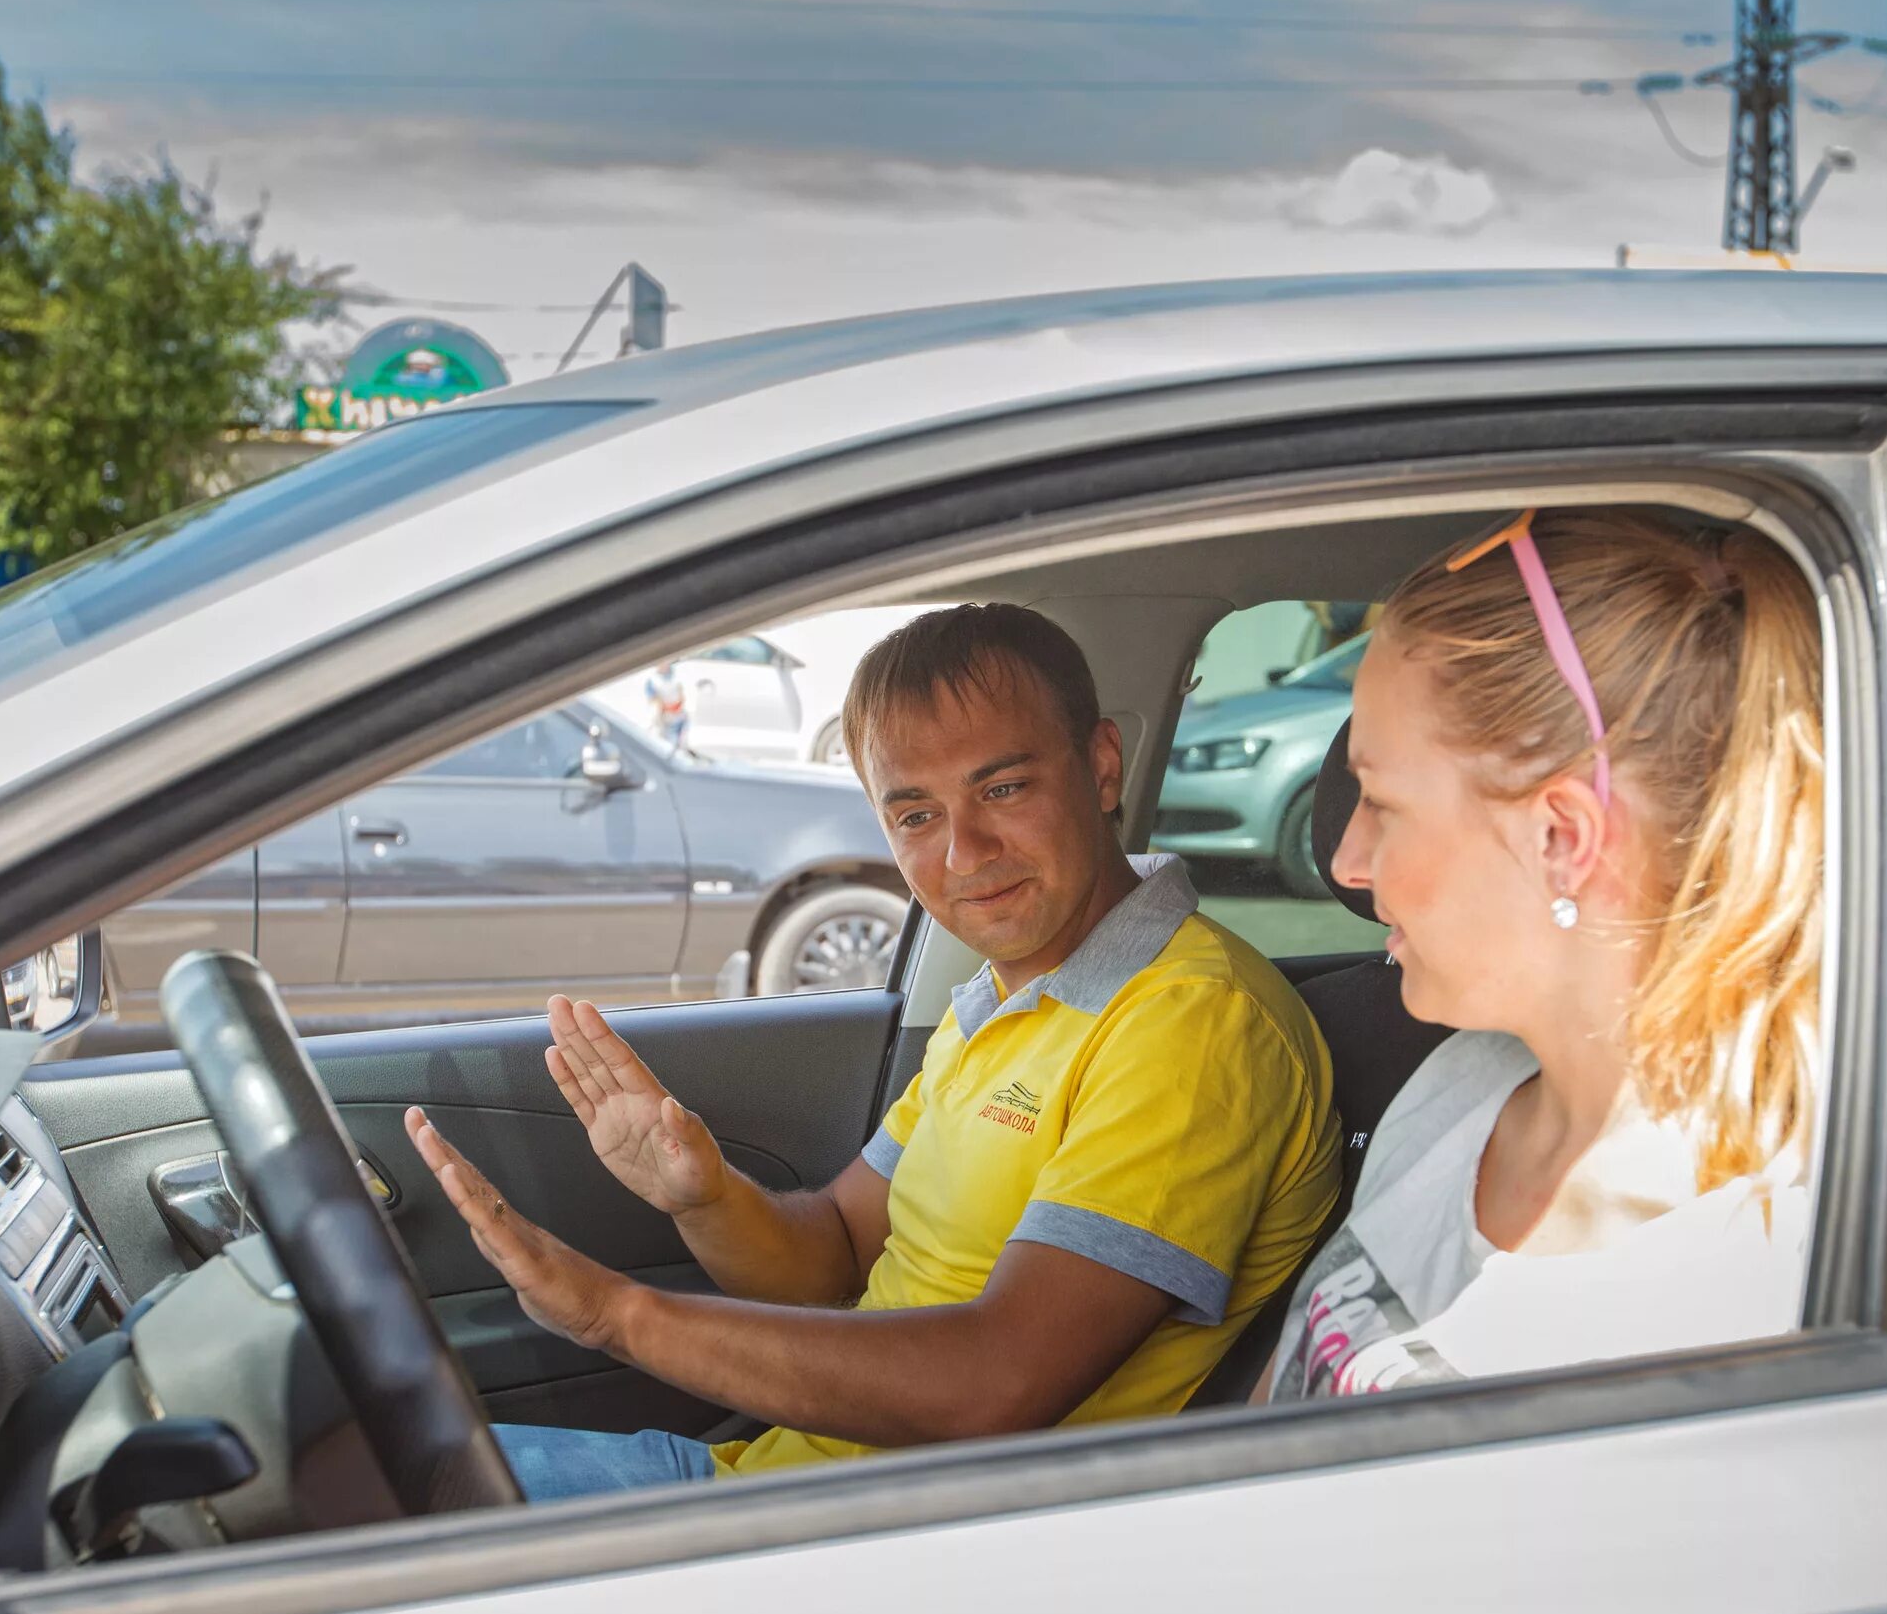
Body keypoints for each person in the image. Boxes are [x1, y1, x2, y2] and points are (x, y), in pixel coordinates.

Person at [408, 603, 1343, 1499]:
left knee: (352, 1494)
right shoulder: (1000, 1002)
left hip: (896, 1547)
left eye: (1003, 788)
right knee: (368, 1470)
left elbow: (998, 1385)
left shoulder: (1191, 1022)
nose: (964, 853)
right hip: (785, 1484)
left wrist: (616, 1315)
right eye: (915, 817)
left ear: (1102, 767)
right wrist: (704, 1197)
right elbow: (838, 1255)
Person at [1263, 506, 1825, 1402]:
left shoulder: (1730, 1273)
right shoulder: (1460, 1087)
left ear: (1563, 837)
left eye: (1381, 802)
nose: (1345, 861)